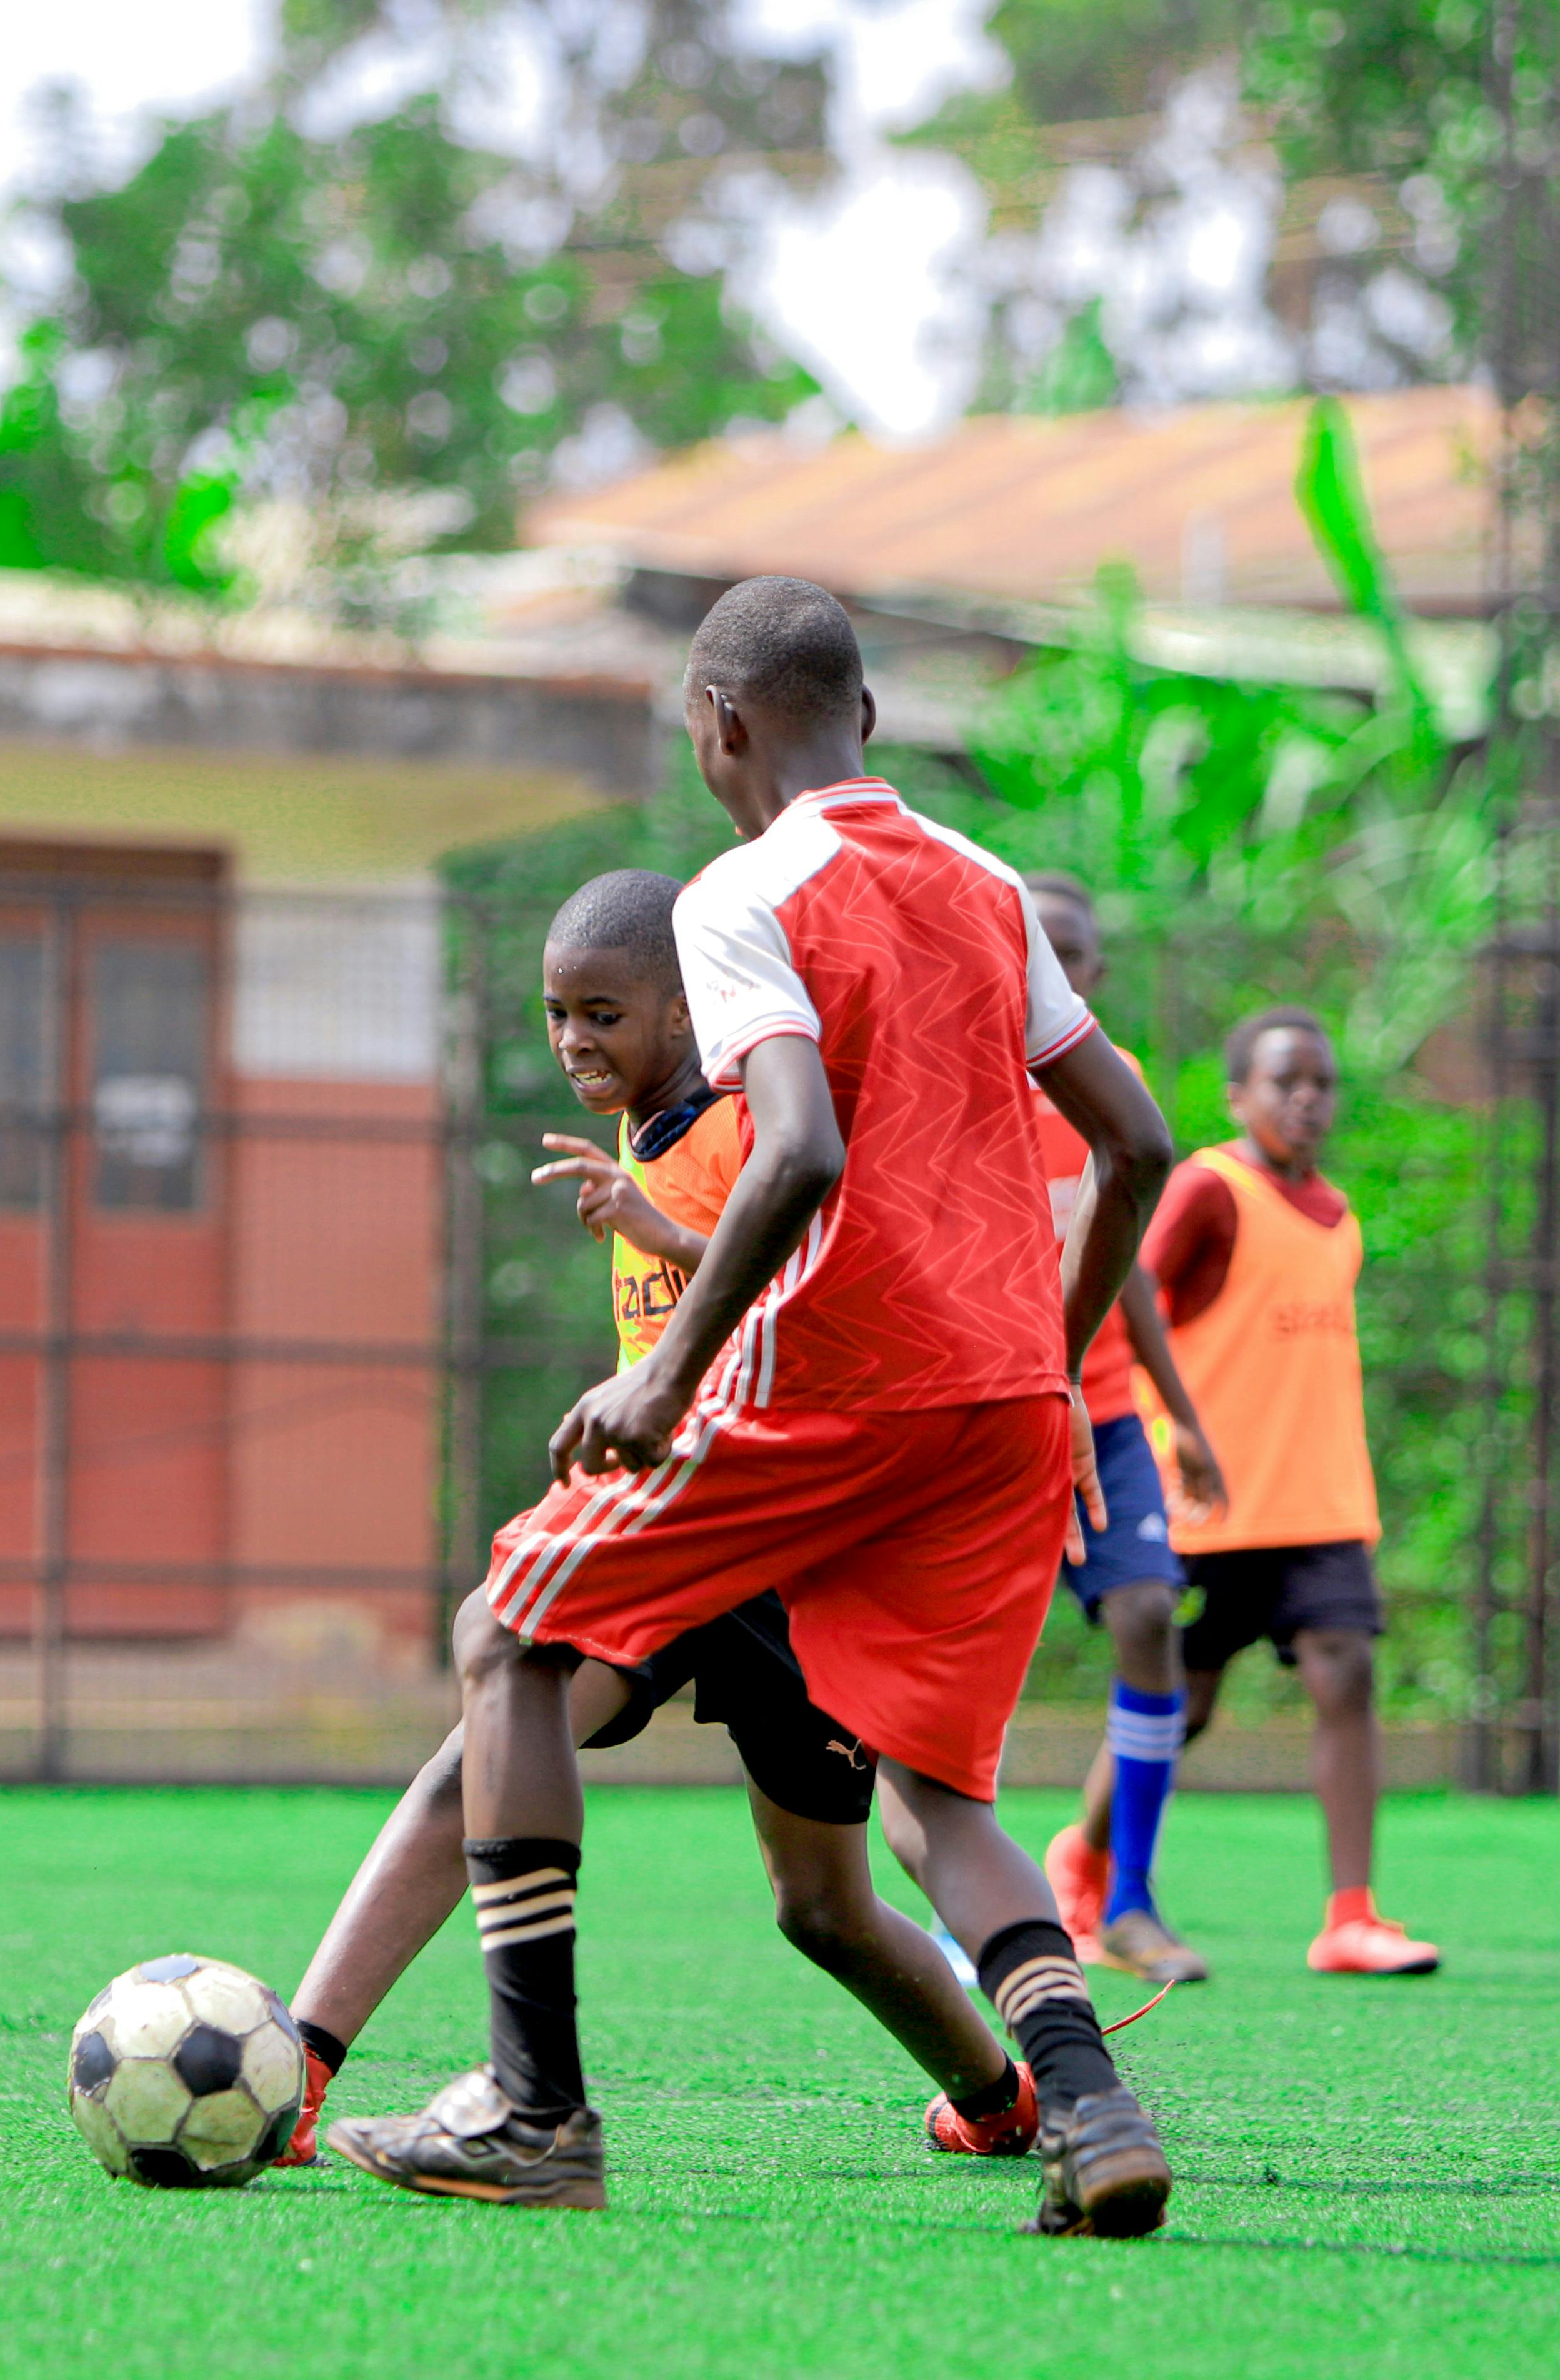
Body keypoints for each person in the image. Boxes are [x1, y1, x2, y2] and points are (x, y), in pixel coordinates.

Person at [321, 576, 1183, 2236]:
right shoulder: (994, 886)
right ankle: (1092, 2109)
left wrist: (662, 1370)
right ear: (863, 717)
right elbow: (1135, 1143)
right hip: (1005, 1400)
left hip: (840, 1379)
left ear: (713, 726)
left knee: (508, 1641)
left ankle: (534, 2107)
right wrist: (1063, 1372)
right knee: (944, 1800)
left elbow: (796, 1150)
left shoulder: (743, 895)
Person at [274, 865, 1037, 2167]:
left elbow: (822, 1283)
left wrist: (663, 1240)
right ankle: (298, 2065)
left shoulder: (761, 1118)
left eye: (606, 1014)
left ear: (689, 1011)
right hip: (669, 1537)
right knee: (483, 1734)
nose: (576, 1040)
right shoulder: (646, 1123)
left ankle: (999, 2092)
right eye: (559, 1012)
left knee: (823, 1906)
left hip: (800, 1552)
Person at [1116, 1007, 1438, 1977]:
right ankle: (1090, 1871)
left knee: (1346, 1671)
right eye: (1285, 1082)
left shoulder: (1339, 1215)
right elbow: (1129, 1299)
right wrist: (1171, 1436)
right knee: (1183, 1701)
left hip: (1319, 1501)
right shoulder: (1210, 1190)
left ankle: (1351, 1917)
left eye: (1322, 1084)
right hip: (1209, 1499)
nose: (1306, 1099)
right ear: (1239, 1096)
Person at [1010, 874, 1229, 1989]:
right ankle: (982, 1914)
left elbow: (1130, 1269)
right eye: (1029, 947)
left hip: (1100, 1411)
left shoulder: (1115, 1088)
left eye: (1071, 953)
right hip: (987, 1410)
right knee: (972, 1663)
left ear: (1091, 979)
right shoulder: (950, 1077)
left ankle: (1126, 1896)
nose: (1049, 966)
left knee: (1150, 1614)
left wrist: (1181, 1418)